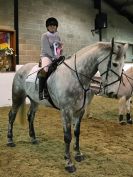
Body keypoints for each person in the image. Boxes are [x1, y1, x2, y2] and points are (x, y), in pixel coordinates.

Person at [39, 17, 63, 100]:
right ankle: (41, 91)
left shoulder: (58, 36)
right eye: (50, 25)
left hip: (56, 57)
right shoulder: (44, 36)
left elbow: (59, 48)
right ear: (47, 27)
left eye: (54, 25)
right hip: (46, 56)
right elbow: (46, 48)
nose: (52, 27)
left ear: (56, 27)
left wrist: (60, 53)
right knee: (45, 69)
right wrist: (54, 57)